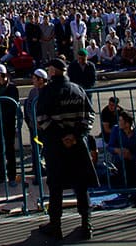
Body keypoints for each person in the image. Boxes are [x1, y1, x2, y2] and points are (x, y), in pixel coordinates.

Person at [35, 58, 97, 240]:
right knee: (81, 185)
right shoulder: (78, 90)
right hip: (77, 146)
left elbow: (42, 120)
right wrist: (75, 136)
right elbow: (90, 116)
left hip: (56, 147)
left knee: (55, 186)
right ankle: (87, 224)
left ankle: (56, 226)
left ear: (53, 71)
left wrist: (61, 136)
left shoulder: (47, 92)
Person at [0, 63, 20, 185]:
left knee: (10, 150)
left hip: (8, 123)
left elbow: (11, 106)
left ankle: (12, 176)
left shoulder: (12, 88)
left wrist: (1, 118)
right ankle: (1, 175)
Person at [107, 111, 136, 188]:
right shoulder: (116, 130)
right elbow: (109, 147)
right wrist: (119, 150)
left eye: (120, 120)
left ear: (127, 123)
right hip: (120, 160)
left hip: (135, 163)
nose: (118, 122)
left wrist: (130, 156)